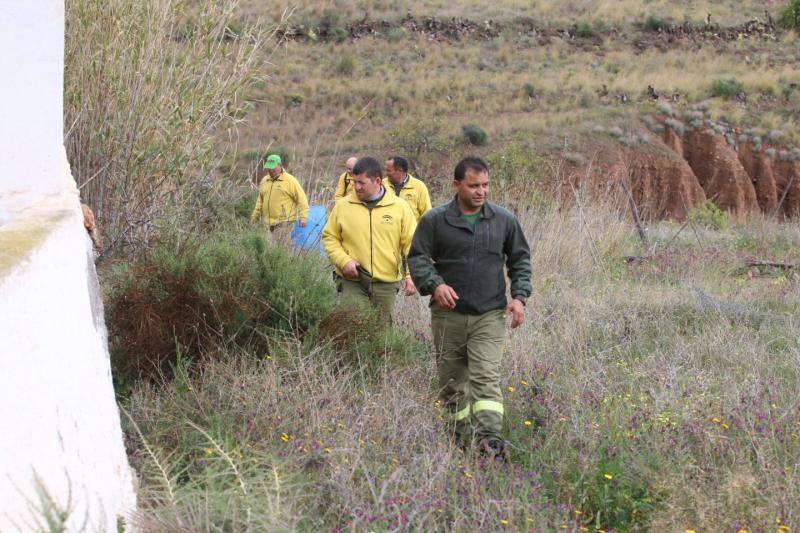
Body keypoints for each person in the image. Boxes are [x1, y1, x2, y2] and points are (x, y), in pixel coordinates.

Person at [408, 156, 532, 458]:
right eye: (474, 185)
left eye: (486, 185)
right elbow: (418, 258)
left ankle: (490, 445)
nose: (481, 191)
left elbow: (520, 261)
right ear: (457, 185)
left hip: (489, 315)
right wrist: (435, 284)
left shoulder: (504, 220)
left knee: (485, 377)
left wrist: (519, 297)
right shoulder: (435, 221)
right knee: (452, 384)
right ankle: (460, 444)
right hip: (448, 318)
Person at [323, 156, 417, 318]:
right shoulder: (342, 206)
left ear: (377, 181)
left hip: (386, 283)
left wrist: (411, 275)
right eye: (354, 182)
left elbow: (413, 244)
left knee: (382, 333)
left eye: (362, 183)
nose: (357, 187)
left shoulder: (400, 207)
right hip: (352, 281)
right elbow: (330, 237)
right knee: (354, 326)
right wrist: (343, 261)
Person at [250, 154, 308, 242]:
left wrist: (303, 217)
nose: (270, 170)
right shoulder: (264, 180)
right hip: (268, 222)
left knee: (281, 248)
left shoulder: (290, 180)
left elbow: (301, 199)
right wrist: (255, 216)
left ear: (280, 166)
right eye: (269, 168)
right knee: (269, 249)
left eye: (273, 168)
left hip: (284, 222)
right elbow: (260, 200)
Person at [384, 156, 432, 221]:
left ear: (400, 171)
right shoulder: (381, 185)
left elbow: (427, 214)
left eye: (389, 170)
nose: (386, 173)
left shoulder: (419, 186)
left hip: (413, 230)